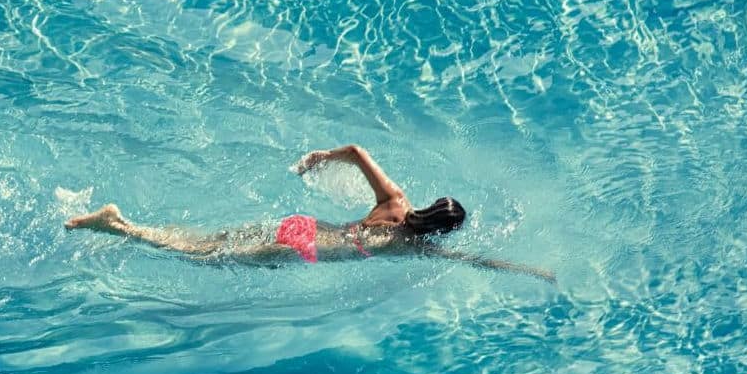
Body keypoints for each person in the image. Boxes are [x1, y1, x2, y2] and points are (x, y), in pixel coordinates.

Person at [64, 144, 555, 282]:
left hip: (302, 225)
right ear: (442, 232)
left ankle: (129, 225)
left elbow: (359, 151)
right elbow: (476, 263)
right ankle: (119, 226)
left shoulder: (397, 203)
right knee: (202, 258)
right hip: (303, 247)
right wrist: (532, 271)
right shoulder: (414, 244)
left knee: (207, 239)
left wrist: (320, 158)